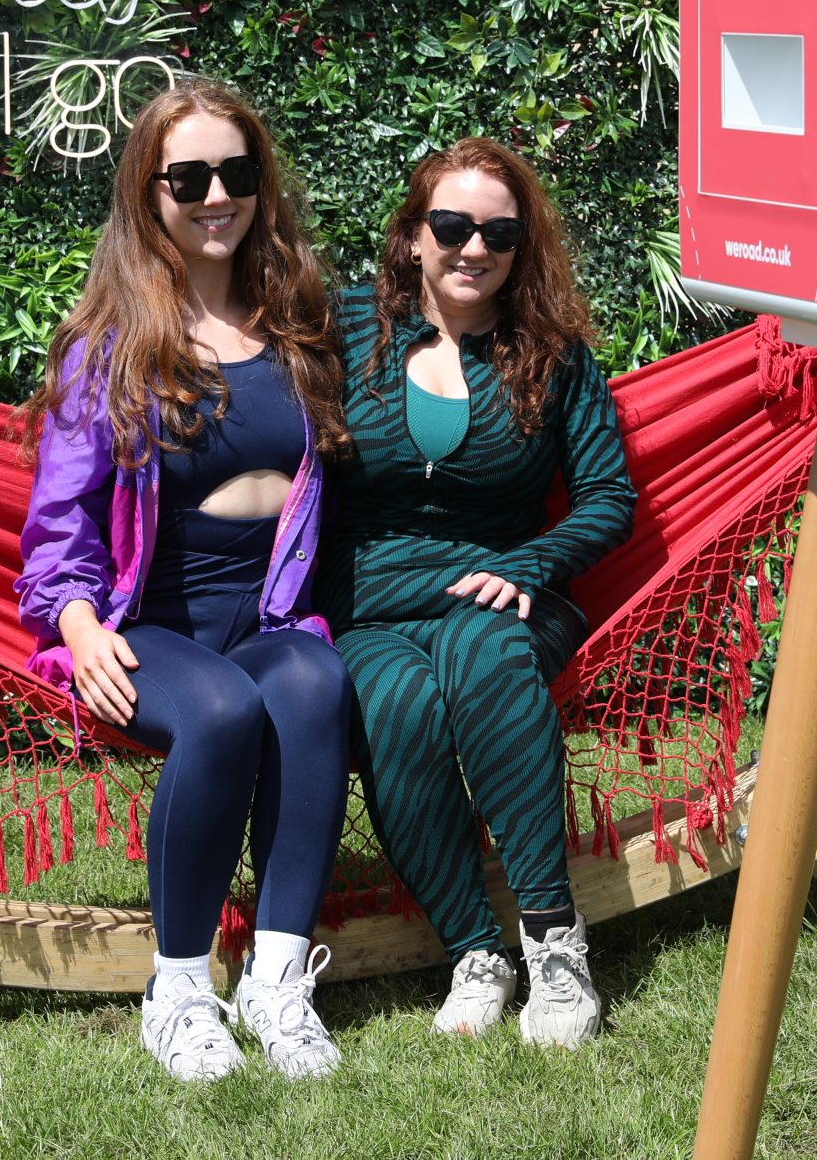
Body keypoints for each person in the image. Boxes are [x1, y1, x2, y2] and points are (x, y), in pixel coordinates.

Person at [17, 80, 355, 1082]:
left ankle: (278, 983)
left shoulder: (298, 326)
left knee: (313, 682)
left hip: (267, 612)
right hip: (149, 624)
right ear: (149, 192)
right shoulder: (109, 348)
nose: (217, 196)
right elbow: (61, 520)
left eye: (236, 173)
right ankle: (177, 991)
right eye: (190, 177)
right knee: (218, 709)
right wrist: (78, 625)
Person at [316, 137, 637, 1046]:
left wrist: (531, 563)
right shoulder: (347, 329)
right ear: (414, 235)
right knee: (393, 699)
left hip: (504, 594)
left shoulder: (553, 353)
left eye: (498, 232)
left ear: (521, 246)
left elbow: (609, 495)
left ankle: (554, 944)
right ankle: (472, 950)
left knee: (484, 649)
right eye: (452, 225)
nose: (474, 247)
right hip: (372, 606)